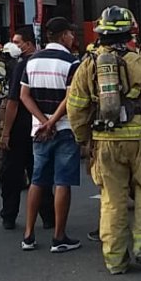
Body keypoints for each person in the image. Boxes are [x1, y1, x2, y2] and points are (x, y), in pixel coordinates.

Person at [69, 8, 141, 273]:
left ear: (100, 33)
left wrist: (83, 138)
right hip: (140, 139)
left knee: (112, 200)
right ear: (129, 34)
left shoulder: (88, 64)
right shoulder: (138, 62)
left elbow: (76, 106)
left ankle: (115, 260)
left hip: (104, 141)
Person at [19, 17, 83, 253]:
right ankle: (59, 237)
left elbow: (24, 95)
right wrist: (54, 121)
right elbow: (71, 98)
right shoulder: (72, 62)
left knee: (37, 181)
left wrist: (43, 122)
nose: (73, 38)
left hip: (39, 130)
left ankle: (28, 235)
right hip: (64, 128)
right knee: (62, 182)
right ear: (64, 35)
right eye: (71, 34)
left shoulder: (32, 61)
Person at [0, 28, 55, 230]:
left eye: (18, 41)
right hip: (43, 125)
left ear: (29, 43)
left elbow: (13, 102)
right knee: (40, 175)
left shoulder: (23, 65)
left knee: (11, 175)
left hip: (21, 127)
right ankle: (49, 217)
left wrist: (6, 132)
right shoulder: (47, 62)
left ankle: (9, 216)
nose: (15, 45)